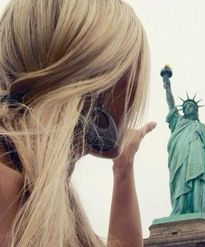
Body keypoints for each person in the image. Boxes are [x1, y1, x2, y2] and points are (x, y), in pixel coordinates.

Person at [0, 0, 156, 246]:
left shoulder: (42, 193)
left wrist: (124, 166)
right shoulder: (9, 185)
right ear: (97, 67)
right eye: (131, 63)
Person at [162, 67, 205, 216]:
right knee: (180, 181)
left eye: (192, 106)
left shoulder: (201, 127)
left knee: (197, 180)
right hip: (179, 157)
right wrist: (167, 87)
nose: (188, 107)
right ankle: (179, 209)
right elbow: (171, 105)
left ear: (196, 111)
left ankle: (197, 209)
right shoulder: (178, 121)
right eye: (186, 107)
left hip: (197, 159)